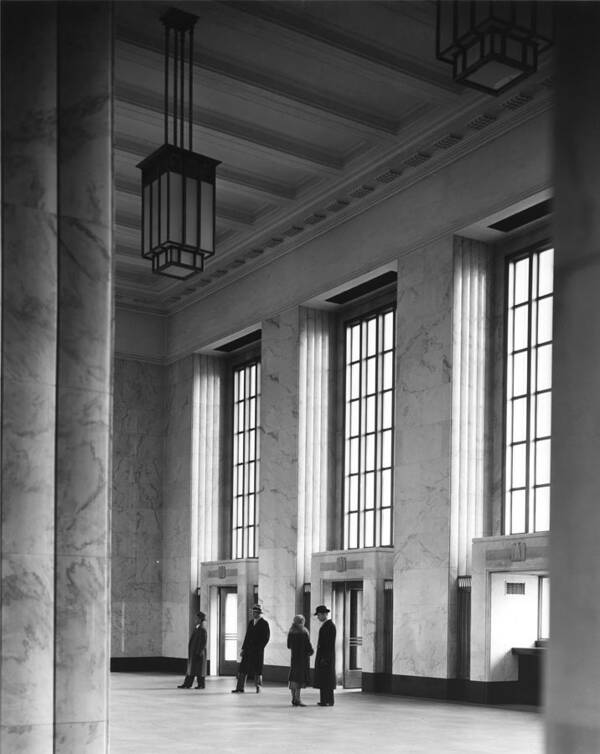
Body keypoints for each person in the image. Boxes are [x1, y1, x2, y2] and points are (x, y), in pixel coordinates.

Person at [231, 604, 270, 693]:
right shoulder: (251, 622)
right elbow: (247, 637)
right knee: (243, 668)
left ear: (259, 613)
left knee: (257, 669)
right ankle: (240, 688)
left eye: (255, 612)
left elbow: (266, 638)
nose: (253, 614)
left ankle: (258, 687)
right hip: (248, 650)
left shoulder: (264, 623)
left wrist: (259, 648)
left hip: (257, 651)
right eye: (253, 612)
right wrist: (243, 649)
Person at [287, 614, 314, 707]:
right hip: (302, 659)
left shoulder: (291, 631)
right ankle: (298, 699)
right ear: (302, 622)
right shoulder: (304, 632)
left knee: (293, 678)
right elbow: (308, 646)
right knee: (299, 679)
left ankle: (293, 698)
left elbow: (288, 645)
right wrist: (311, 651)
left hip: (294, 658)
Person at [313, 604, 336, 706]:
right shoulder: (327, 625)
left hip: (326, 657)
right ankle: (325, 700)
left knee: (327, 679)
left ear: (323, 614)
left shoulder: (329, 626)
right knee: (324, 679)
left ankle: (328, 700)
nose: (318, 617)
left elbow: (329, 644)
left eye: (318, 615)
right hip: (325, 656)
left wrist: (324, 658)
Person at [177, 611, 207, 689]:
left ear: (200, 619)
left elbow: (203, 642)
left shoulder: (202, 629)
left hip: (198, 653)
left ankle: (201, 685)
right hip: (194, 652)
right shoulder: (197, 628)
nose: (195, 619)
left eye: (196, 618)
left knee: (199, 670)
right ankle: (187, 684)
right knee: (192, 669)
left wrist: (199, 652)